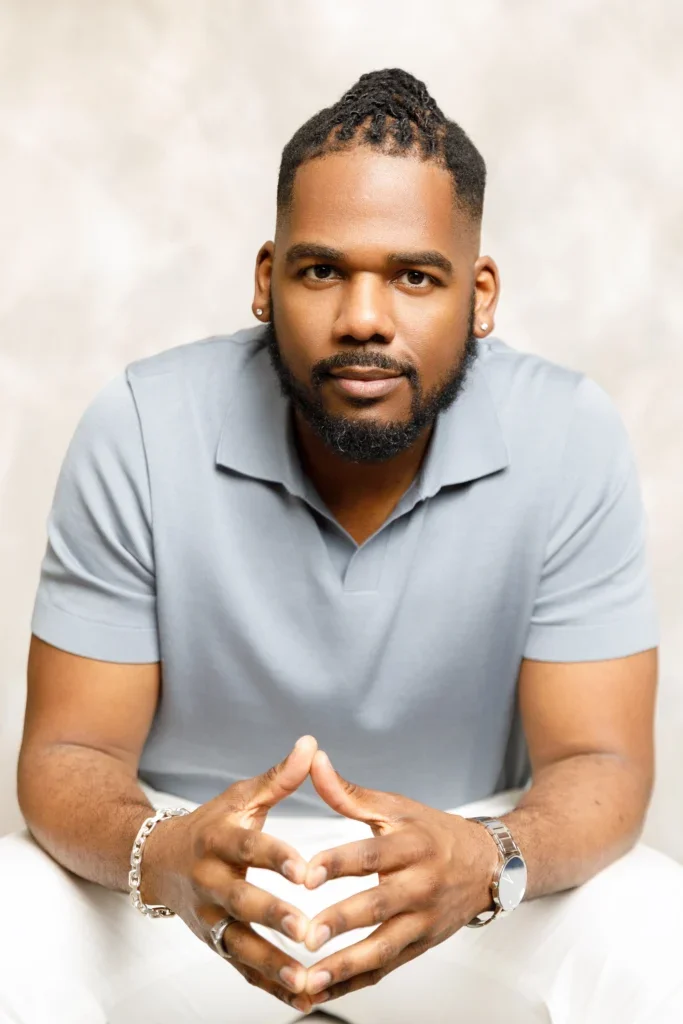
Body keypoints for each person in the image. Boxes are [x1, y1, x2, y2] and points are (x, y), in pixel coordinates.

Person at [3, 67, 682, 1024]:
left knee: (660, 935)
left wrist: (487, 861)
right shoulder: (141, 425)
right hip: (184, 871)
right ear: (264, 280)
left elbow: (602, 762)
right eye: (322, 270)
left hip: (461, 871)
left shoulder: (569, 433)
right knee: (8, 921)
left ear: (479, 294)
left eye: (414, 276)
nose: (364, 318)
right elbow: (69, 750)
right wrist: (167, 852)